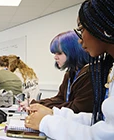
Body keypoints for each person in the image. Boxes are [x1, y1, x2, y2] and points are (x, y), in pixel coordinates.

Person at [25, 0, 114, 139]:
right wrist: (52, 113)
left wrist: (46, 121)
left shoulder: (93, 72)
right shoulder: (72, 73)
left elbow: (103, 135)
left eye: (81, 30)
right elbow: (99, 120)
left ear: (103, 29)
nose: (80, 39)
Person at [21, 31, 94, 113]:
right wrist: (35, 104)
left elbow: (76, 108)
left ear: (73, 51)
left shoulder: (90, 74)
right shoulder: (70, 74)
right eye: (54, 54)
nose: (55, 57)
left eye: (59, 53)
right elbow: (60, 98)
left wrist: (38, 106)